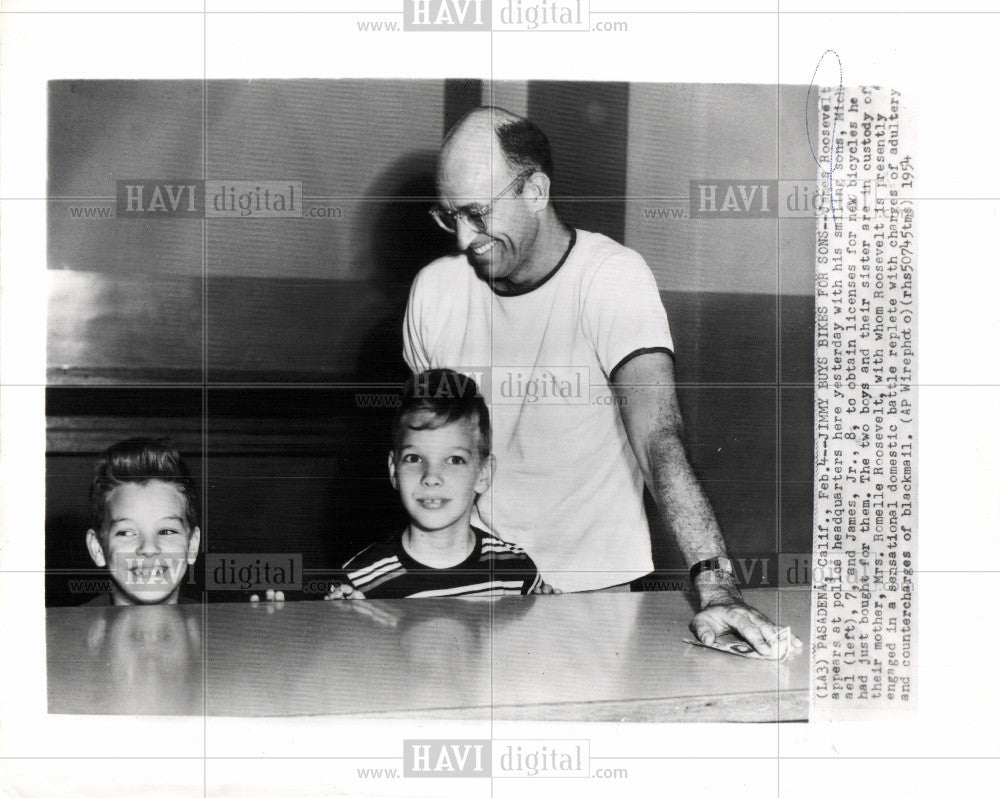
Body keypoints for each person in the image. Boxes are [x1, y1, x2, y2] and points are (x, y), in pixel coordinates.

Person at [403, 106, 800, 655]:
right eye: (450, 217)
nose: (464, 239)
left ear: (536, 190)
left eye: (476, 213)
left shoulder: (612, 278)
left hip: (595, 598)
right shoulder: (434, 292)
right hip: (472, 588)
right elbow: (427, 453)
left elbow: (659, 438)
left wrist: (716, 586)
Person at [325, 368, 553, 599]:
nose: (431, 477)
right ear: (394, 470)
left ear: (483, 474)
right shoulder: (360, 580)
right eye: (414, 458)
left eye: (454, 460)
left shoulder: (515, 571)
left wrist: (548, 611)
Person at [82, 437, 201, 606]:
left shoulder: (221, 627)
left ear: (192, 545)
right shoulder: (63, 631)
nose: (149, 548)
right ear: (98, 549)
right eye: (126, 532)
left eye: (166, 531)